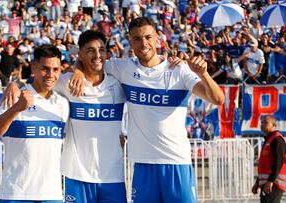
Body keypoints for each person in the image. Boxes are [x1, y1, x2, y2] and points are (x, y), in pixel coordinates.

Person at [71, 17, 224, 203]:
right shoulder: (123, 68)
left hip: (176, 163)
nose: (144, 43)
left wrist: (203, 73)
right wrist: (78, 72)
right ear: (130, 42)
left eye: (148, 37)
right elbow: (92, 61)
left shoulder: (179, 70)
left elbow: (217, 99)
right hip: (143, 165)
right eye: (137, 38)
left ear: (157, 39)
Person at [3, 30, 127, 203]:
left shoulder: (119, 84)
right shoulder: (66, 82)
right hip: (76, 175)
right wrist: (14, 85)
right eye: (90, 50)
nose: (97, 55)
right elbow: (40, 81)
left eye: (101, 50)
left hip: (113, 177)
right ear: (80, 54)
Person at [0, 45, 69, 203]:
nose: (50, 74)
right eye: (45, 68)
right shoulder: (15, 95)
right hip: (16, 194)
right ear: (33, 68)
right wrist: (17, 108)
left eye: (55, 69)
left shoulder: (63, 104)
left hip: (52, 195)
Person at [252, 115, 286, 203]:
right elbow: (265, 166)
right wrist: (257, 183)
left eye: (266, 123)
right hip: (267, 183)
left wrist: (271, 180)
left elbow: (279, 161)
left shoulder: (277, 139)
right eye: (261, 123)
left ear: (274, 125)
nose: (262, 125)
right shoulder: (269, 139)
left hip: (274, 183)